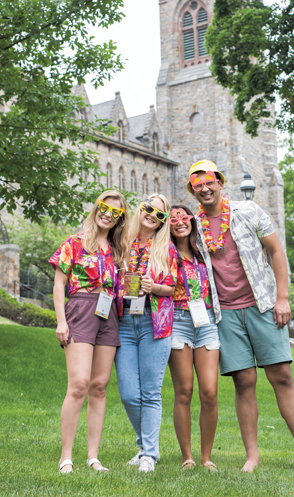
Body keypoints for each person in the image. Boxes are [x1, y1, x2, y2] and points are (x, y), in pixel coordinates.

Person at [187, 160, 294, 474]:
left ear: (221, 182)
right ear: (193, 191)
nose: (205, 189)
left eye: (209, 182)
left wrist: (282, 299)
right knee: (244, 382)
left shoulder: (249, 210)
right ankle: (252, 456)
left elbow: (276, 252)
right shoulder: (193, 226)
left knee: (282, 377)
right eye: (197, 185)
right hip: (225, 313)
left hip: (262, 306)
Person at [50, 190, 130, 474]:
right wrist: (61, 321)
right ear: (97, 208)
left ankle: (93, 457)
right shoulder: (75, 242)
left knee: (99, 386)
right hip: (81, 310)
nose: (108, 214)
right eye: (104, 208)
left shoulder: (118, 250)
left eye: (116, 212)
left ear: (121, 218)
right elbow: (59, 284)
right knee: (79, 384)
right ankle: (66, 457)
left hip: (109, 314)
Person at [115, 193, 178, 473]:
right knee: (129, 394)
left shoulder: (166, 249)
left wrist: (155, 287)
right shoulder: (121, 243)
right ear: (141, 208)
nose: (152, 215)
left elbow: (175, 288)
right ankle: (145, 447)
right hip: (124, 322)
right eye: (149, 208)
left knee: (151, 392)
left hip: (155, 323)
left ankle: (149, 454)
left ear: (163, 221)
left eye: (160, 214)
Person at [168, 204, 220, 472]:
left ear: (192, 220)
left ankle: (206, 457)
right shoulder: (165, 253)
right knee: (184, 391)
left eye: (183, 217)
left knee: (209, 392)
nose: (179, 222)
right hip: (178, 321)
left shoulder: (205, 254)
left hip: (207, 321)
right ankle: (187, 456)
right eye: (173, 218)